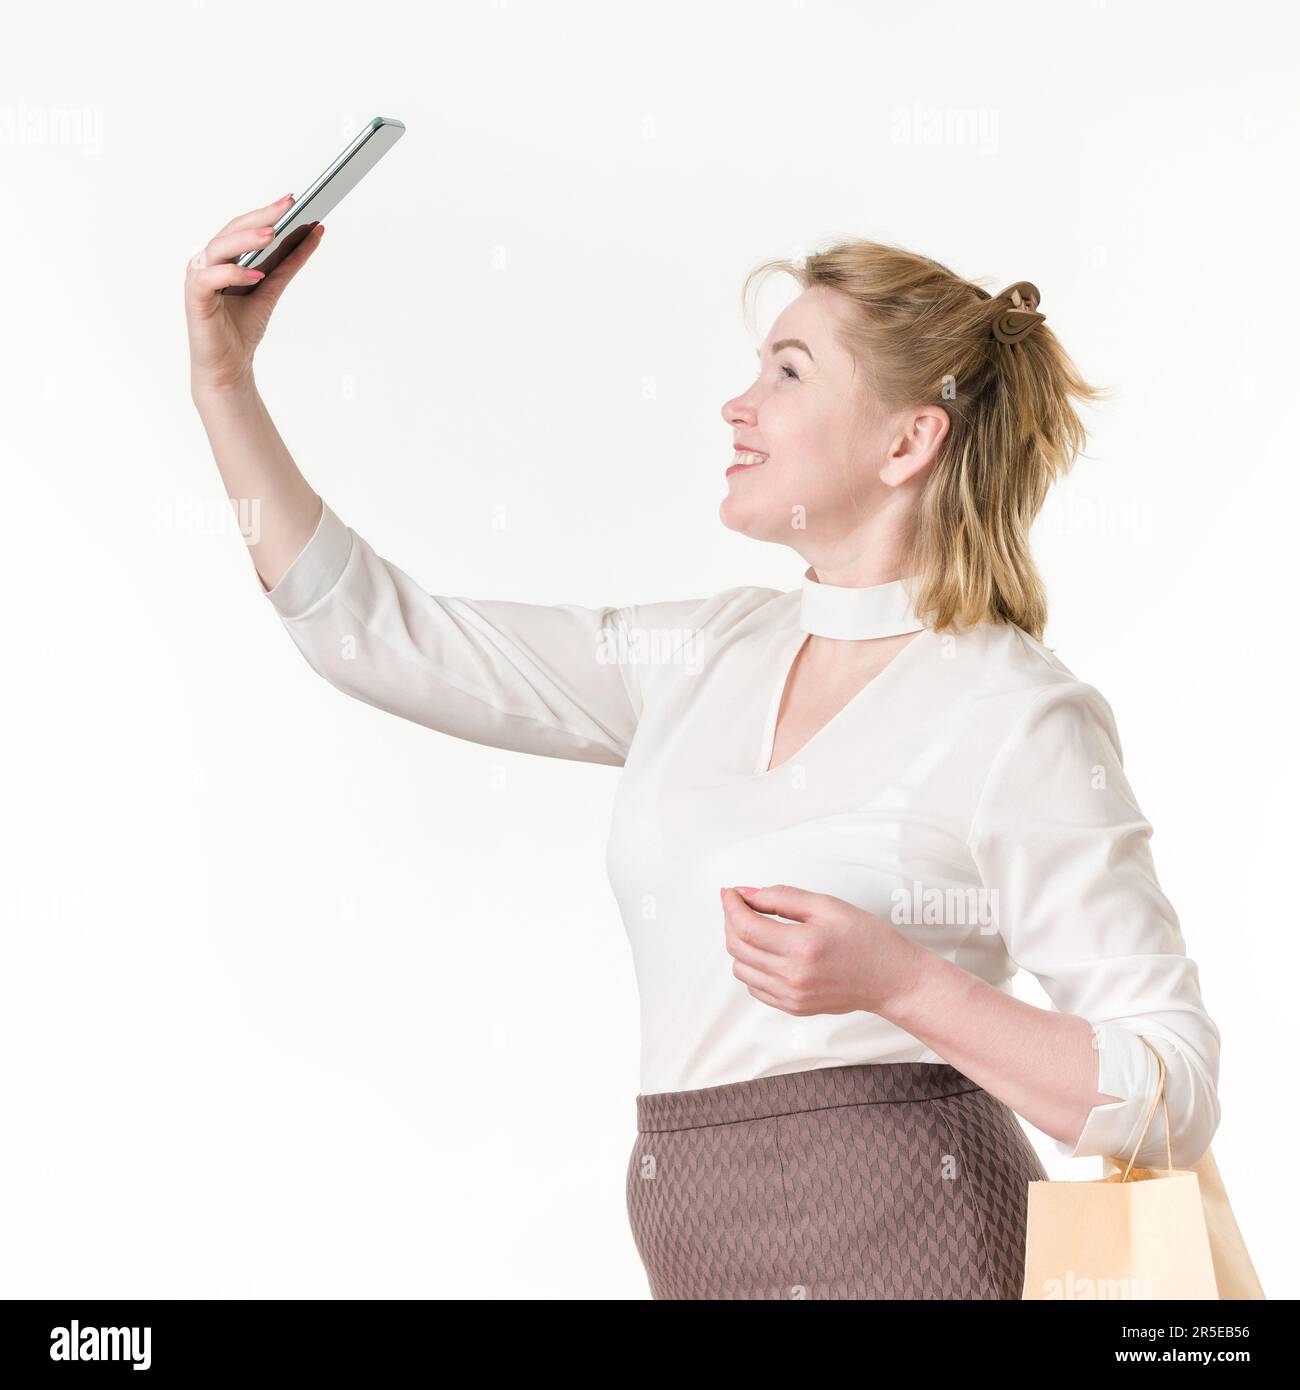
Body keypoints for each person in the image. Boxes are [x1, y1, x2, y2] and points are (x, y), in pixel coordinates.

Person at [185, 208, 1221, 1300]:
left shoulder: (1015, 713)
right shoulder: (703, 653)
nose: (737, 404)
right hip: (698, 1253)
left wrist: (902, 984)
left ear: (908, 441)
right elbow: (374, 635)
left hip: (927, 1250)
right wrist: (223, 383)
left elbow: (1172, 1087)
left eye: (786, 371)